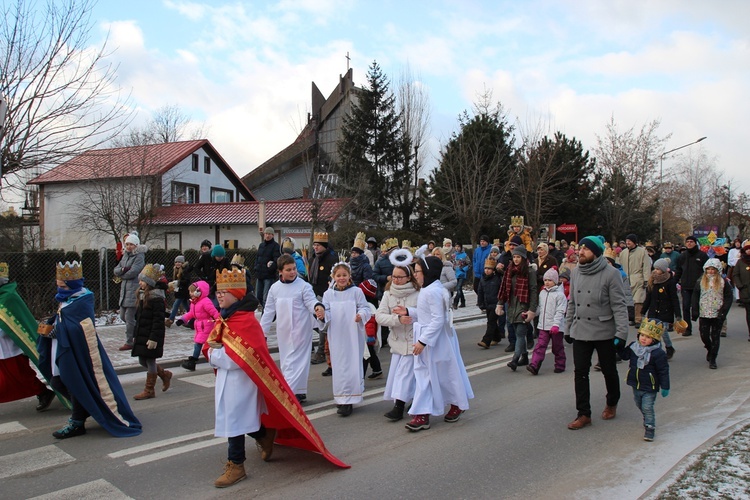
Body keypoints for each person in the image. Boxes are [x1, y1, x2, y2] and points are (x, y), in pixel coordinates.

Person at [204, 267, 349, 488]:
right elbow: (213, 344)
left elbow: (237, 359)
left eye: (225, 291)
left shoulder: (246, 321)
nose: (219, 295)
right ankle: (264, 435)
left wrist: (214, 355)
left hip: (241, 382)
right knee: (237, 418)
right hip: (227, 380)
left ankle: (237, 465)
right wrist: (212, 352)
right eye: (218, 292)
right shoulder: (226, 319)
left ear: (237, 294)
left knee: (234, 421)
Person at [37, 261, 142, 439]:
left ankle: (77, 421)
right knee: (57, 382)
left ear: (72, 284)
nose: (59, 288)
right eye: (58, 284)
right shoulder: (65, 298)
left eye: (62, 285)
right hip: (62, 346)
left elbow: (83, 327)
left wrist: (59, 330)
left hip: (79, 350)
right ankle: (85, 408)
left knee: (75, 381)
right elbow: (65, 319)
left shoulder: (83, 299)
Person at [397, 255, 473, 431]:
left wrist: (423, 341)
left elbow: (438, 320)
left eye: (417, 271)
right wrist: (409, 311)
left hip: (434, 341)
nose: (415, 275)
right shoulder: (430, 288)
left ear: (428, 272)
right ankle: (423, 412)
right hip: (429, 337)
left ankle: (454, 403)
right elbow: (427, 314)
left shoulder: (433, 291)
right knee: (425, 375)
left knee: (442, 374)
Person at [565, 235, 629, 431]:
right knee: (580, 373)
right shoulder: (575, 273)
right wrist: (567, 328)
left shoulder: (611, 273)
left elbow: (619, 305)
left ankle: (612, 401)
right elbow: (572, 303)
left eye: (585, 248)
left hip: (604, 331)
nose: (580, 251)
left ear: (597, 252)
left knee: (609, 371)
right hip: (581, 329)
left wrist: (621, 333)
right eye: (580, 247)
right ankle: (583, 413)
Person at [260, 254, 320, 402]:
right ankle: (298, 391)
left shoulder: (304, 286)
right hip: (284, 332)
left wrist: (318, 307)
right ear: (280, 271)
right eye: (288, 270)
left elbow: (311, 302)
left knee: (297, 362)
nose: (293, 272)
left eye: (294, 269)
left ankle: (287, 394)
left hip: (301, 331)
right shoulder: (275, 288)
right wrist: (262, 332)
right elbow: (268, 311)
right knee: (287, 361)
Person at [0, 262, 59, 410]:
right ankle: (42, 392)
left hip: (10, 347)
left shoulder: (9, 297)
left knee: (21, 376)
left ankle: (43, 392)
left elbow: (18, 321)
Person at [315, 262, 371, 417]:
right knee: (339, 366)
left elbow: (366, 308)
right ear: (333, 277)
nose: (341, 278)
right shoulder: (328, 294)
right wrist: (321, 314)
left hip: (353, 335)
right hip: (337, 335)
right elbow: (326, 311)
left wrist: (361, 315)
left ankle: (351, 398)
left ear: (349, 276)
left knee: (352, 364)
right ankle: (341, 398)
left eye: (344, 275)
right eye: (338, 275)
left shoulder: (356, 292)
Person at [376, 250, 420, 421]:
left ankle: (399, 407)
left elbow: (425, 314)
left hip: (413, 342)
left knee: (405, 375)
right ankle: (410, 400)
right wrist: (397, 319)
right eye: (394, 276)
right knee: (400, 376)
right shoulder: (388, 294)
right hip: (396, 342)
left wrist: (412, 316)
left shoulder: (418, 293)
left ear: (409, 277)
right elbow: (379, 316)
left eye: (400, 277)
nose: (396, 280)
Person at [618, 319, 670, 441]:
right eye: (642, 335)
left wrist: (665, 386)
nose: (643, 339)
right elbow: (624, 356)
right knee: (639, 403)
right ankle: (647, 418)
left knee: (647, 407)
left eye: (648, 337)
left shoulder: (658, 353)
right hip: (636, 384)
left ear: (655, 339)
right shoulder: (634, 347)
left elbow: (663, 371)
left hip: (650, 386)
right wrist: (618, 346)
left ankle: (650, 427)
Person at [131, 264, 172, 400]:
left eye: (142, 280)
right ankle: (164, 374)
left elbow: (158, 321)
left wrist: (154, 338)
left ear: (149, 283)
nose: (140, 283)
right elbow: (139, 319)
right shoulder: (143, 296)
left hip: (152, 336)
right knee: (142, 360)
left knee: (149, 360)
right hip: (143, 334)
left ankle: (149, 390)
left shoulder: (157, 299)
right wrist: (134, 335)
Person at [497, 245, 538, 370]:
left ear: (523, 258)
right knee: (515, 331)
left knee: (520, 334)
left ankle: (515, 359)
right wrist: (500, 303)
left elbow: (533, 290)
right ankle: (524, 356)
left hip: (523, 305)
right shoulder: (510, 270)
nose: (515, 259)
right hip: (511, 305)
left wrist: (532, 309)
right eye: (514, 257)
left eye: (518, 257)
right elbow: (504, 288)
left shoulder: (529, 271)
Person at [691, 258, 733, 369]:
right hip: (704, 312)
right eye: (709, 269)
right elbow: (695, 295)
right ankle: (709, 348)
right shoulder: (700, 281)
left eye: (713, 269)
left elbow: (729, 297)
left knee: (715, 336)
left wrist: (723, 312)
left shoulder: (723, 282)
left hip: (717, 313)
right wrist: (694, 310)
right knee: (704, 335)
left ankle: (713, 358)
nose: (711, 271)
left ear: (717, 270)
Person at [528, 268, 567, 375]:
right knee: (540, 346)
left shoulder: (560, 295)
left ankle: (560, 364)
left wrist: (556, 325)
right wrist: (531, 314)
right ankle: (534, 365)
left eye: (550, 280)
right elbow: (540, 308)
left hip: (556, 327)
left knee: (557, 347)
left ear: (555, 281)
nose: (547, 282)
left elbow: (560, 311)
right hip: (543, 326)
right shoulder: (542, 293)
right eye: (545, 280)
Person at [641, 258, 681, 360]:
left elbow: (674, 299)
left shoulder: (670, 282)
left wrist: (678, 314)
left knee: (660, 331)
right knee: (655, 332)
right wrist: (642, 311)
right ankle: (666, 347)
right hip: (653, 311)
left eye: (658, 269)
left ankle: (665, 349)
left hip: (665, 311)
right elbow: (648, 298)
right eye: (655, 269)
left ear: (663, 270)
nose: (655, 271)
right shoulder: (652, 281)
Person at [308, 232, 338, 364]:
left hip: (325, 295)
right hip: (314, 294)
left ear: (324, 246)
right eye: (314, 245)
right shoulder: (313, 258)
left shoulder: (331, 259)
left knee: (322, 323)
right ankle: (323, 345)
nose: (315, 247)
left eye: (318, 245)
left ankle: (321, 351)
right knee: (314, 322)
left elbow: (333, 276)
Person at [176, 281, 219, 371]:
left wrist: (219, 322)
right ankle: (209, 359)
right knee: (203, 344)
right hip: (200, 326)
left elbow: (214, 312)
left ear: (199, 291)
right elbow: (191, 313)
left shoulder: (205, 302)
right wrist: (182, 319)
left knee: (201, 344)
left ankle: (194, 362)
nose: (190, 293)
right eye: (190, 291)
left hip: (207, 326)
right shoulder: (194, 302)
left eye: (192, 291)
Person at [113, 231, 146, 350]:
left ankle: (129, 342)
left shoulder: (139, 257)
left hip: (134, 289)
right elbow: (116, 269)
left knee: (129, 318)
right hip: (125, 290)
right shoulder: (126, 255)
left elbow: (134, 271)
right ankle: (140, 333)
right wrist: (122, 269)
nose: (129, 247)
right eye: (127, 244)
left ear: (136, 245)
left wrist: (122, 274)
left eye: (131, 244)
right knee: (123, 317)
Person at [674, 235, 709, 337]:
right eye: (687, 242)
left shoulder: (702, 256)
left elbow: (706, 271)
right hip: (685, 286)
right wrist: (674, 281)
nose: (689, 243)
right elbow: (678, 270)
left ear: (695, 243)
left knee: (697, 307)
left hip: (698, 287)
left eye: (691, 242)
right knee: (685, 307)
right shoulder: (683, 256)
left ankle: (703, 327)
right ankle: (687, 329)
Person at [619, 234, 652, 325]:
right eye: (627, 241)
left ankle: (638, 319)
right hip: (626, 279)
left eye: (630, 241)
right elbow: (620, 265)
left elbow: (646, 266)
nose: (627, 242)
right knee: (629, 300)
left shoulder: (642, 252)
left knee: (638, 300)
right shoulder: (623, 253)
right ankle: (632, 317)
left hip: (638, 278)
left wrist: (646, 279)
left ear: (634, 242)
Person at [373, 237, 399, 347]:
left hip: (399, 290)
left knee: (398, 313)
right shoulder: (380, 261)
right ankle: (384, 338)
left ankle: (398, 334)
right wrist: (385, 278)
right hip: (385, 290)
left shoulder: (401, 259)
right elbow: (374, 275)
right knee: (384, 314)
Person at [476, 257, 503, 349]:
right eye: (486, 268)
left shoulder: (497, 278)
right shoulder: (483, 279)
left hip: (496, 304)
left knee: (491, 322)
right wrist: (480, 303)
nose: (487, 271)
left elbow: (501, 290)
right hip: (488, 303)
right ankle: (497, 336)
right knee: (492, 322)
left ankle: (486, 341)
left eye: (489, 269)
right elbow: (480, 291)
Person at [359, 279, 383, 380]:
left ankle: (361, 377)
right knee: (371, 353)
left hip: (367, 336)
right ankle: (377, 370)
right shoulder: (370, 305)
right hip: (368, 336)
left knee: (365, 355)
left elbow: (370, 324)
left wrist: (370, 336)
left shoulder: (367, 306)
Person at [254, 227, 281, 309]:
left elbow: (277, 260)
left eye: (269, 234)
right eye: (266, 234)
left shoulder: (276, 246)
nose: (267, 235)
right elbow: (257, 258)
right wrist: (256, 267)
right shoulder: (261, 245)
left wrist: (271, 268)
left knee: (266, 297)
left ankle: (266, 316)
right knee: (258, 296)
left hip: (268, 276)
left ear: (273, 235)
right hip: (259, 275)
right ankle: (267, 312)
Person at [731, 240, 750, 340]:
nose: (749, 251)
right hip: (746, 291)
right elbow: (735, 274)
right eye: (747, 250)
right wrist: (740, 286)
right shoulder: (740, 262)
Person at [166, 255, 192, 327]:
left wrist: (178, 282)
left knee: (175, 305)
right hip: (180, 291)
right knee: (186, 306)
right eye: (176, 262)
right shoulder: (176, 270)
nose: (177, 263)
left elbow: (187, 281)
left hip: (183, 291)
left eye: (179, 262)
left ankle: (171, 319)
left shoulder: (185, 271)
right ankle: (194, 316)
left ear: (182, 263)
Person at [452, 243, 470, 308]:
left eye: (458, 246)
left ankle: (455, 302)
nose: (457, 248)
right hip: (455, 274)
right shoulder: (454, 255)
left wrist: (464, 269)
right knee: (460, 289)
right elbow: (452, 263)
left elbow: (469, 264)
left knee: (458, 288)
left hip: (462, 274)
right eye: (456, 246)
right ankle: (463, 302)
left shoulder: (464, 255)